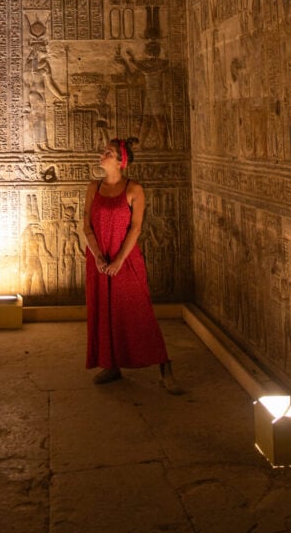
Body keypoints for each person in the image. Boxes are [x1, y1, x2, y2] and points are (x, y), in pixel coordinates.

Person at [82, 137, 181, 391]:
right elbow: (87, 226)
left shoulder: (133, 189)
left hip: (124, 259)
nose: (102, 154)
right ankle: (111, 364)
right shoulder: (94, 187)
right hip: (100, 260)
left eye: (108, 152)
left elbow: (135, 229)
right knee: (105, 312)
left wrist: (117, 261)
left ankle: (164, 366)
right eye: (103, 150)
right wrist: (99, 257)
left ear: (120, 161)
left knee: (138, 313)